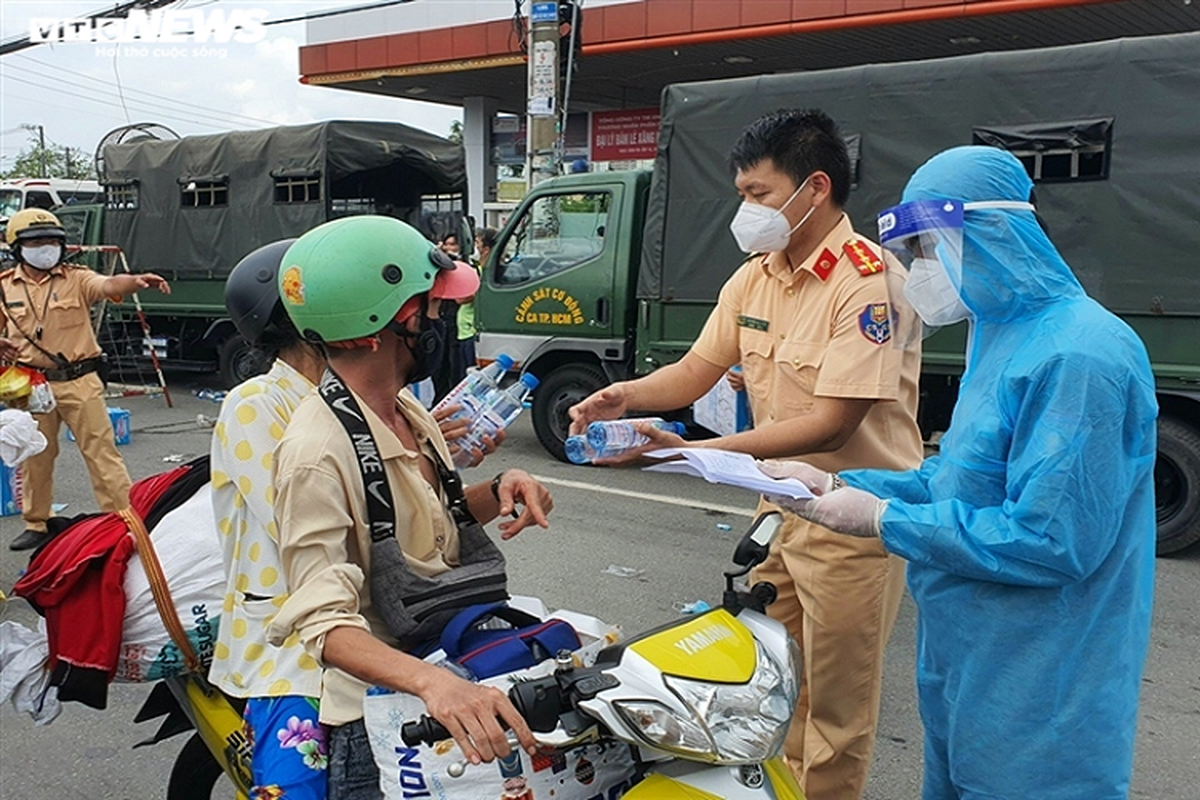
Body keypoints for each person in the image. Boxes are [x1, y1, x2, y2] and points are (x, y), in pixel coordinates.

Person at [763, 146, 1158, 800]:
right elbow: (956, 482)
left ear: (987, 234)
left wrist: (887, 521)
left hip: (1042, 691)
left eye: (927, 248)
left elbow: (1053, 542)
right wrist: (841, 486)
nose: (918, 271)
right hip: (968, 670)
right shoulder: (998, 336)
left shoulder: (1082, 356)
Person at [568, 108, 924, 799]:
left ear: (813, 188)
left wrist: (691, 452)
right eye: (741, 194)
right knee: (765, 691)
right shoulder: (758, 276)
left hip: (849, 519)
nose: (746, 209)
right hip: (778, 515)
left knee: (836, 716)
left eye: (758, 194)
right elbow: (698, 368)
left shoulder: (865, 283)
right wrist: (629, 397)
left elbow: (829, 425)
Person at [264, 215, 553, 800]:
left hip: (452, 683)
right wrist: (434, 685)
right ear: (375, 328)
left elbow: (427, 523)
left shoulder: (406, 412)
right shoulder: (316, 453)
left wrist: (496, 490)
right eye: (430, 309)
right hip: (385, 727)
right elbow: (324, 625)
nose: (441, 321)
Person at [211, 239, 493, 799]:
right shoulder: (260, 407)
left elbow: (418, 523)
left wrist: (440, 469)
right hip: (295, 655)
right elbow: (334, 534)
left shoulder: (388, 403)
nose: (435, 320)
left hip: (384, 638)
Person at [0, 208, 170, 551]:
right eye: (35, 242)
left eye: (52, 241)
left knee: (102, 453)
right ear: (18, 248)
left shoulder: (76, 278)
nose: (45, 248)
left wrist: (133, 281)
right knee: (36, 457)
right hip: (31, 386)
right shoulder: (4, 288)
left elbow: (107, 285)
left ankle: (124, 521)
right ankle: (37, 522)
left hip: (80, 379)